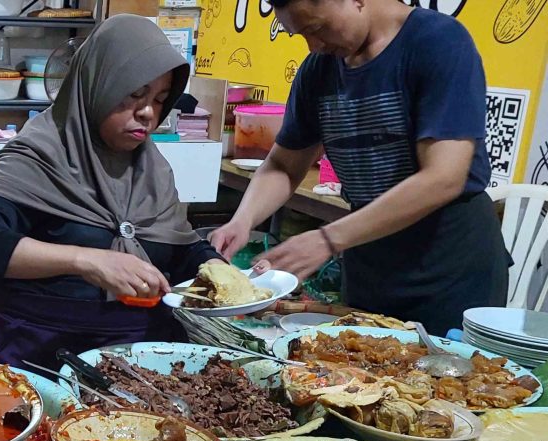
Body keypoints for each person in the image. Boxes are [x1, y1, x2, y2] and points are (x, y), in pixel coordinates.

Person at [0, 15, 226, 370]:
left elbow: (179, 250)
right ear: (95, 86)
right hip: (33, 358)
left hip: (139, 367)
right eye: (135, 94)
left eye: (160, 98)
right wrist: (85, 260)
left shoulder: (152, 170)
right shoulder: (40, 156)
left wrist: (215, 268)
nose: (148, 112)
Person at [210, 0, 505, 333]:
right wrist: (243, 219)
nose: (313, 45)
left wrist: (327, 239)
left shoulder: (437, 42)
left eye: (317, 28)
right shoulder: (319, 70)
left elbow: (443, 179)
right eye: (301, 35)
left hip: (449, 266)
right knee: (355, 378)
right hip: (369, 261)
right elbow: (283, 164)